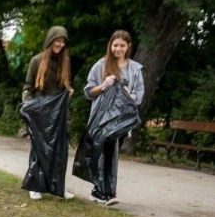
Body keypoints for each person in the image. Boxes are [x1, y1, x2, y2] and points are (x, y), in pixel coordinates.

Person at [82, 30, 144, 205]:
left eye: (122, 45)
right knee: (101, 152)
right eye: (115, 45)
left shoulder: (135, 70)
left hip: (122, 119)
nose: (118, 49)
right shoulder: (100, 65)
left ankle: (103, 191)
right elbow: (88, 92)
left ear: (128, 47)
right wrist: (103, 85)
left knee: (112, 154)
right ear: (110, 45)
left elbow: (139, 96)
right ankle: (102, 192)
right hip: (102, 117)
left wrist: (129, 95)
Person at [21, 26, 75, 201]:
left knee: (60, 151)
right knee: (38, 149)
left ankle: (59, 187)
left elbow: (64, 87)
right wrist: (29, 106)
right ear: (50, 40)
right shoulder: (36, 61)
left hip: (58, 114)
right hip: (41, 112)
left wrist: (69, 90)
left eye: (63, 41)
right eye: (57, 40)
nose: (59, 44)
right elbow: (28, 88)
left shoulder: (65, 62)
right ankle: (35, 186)